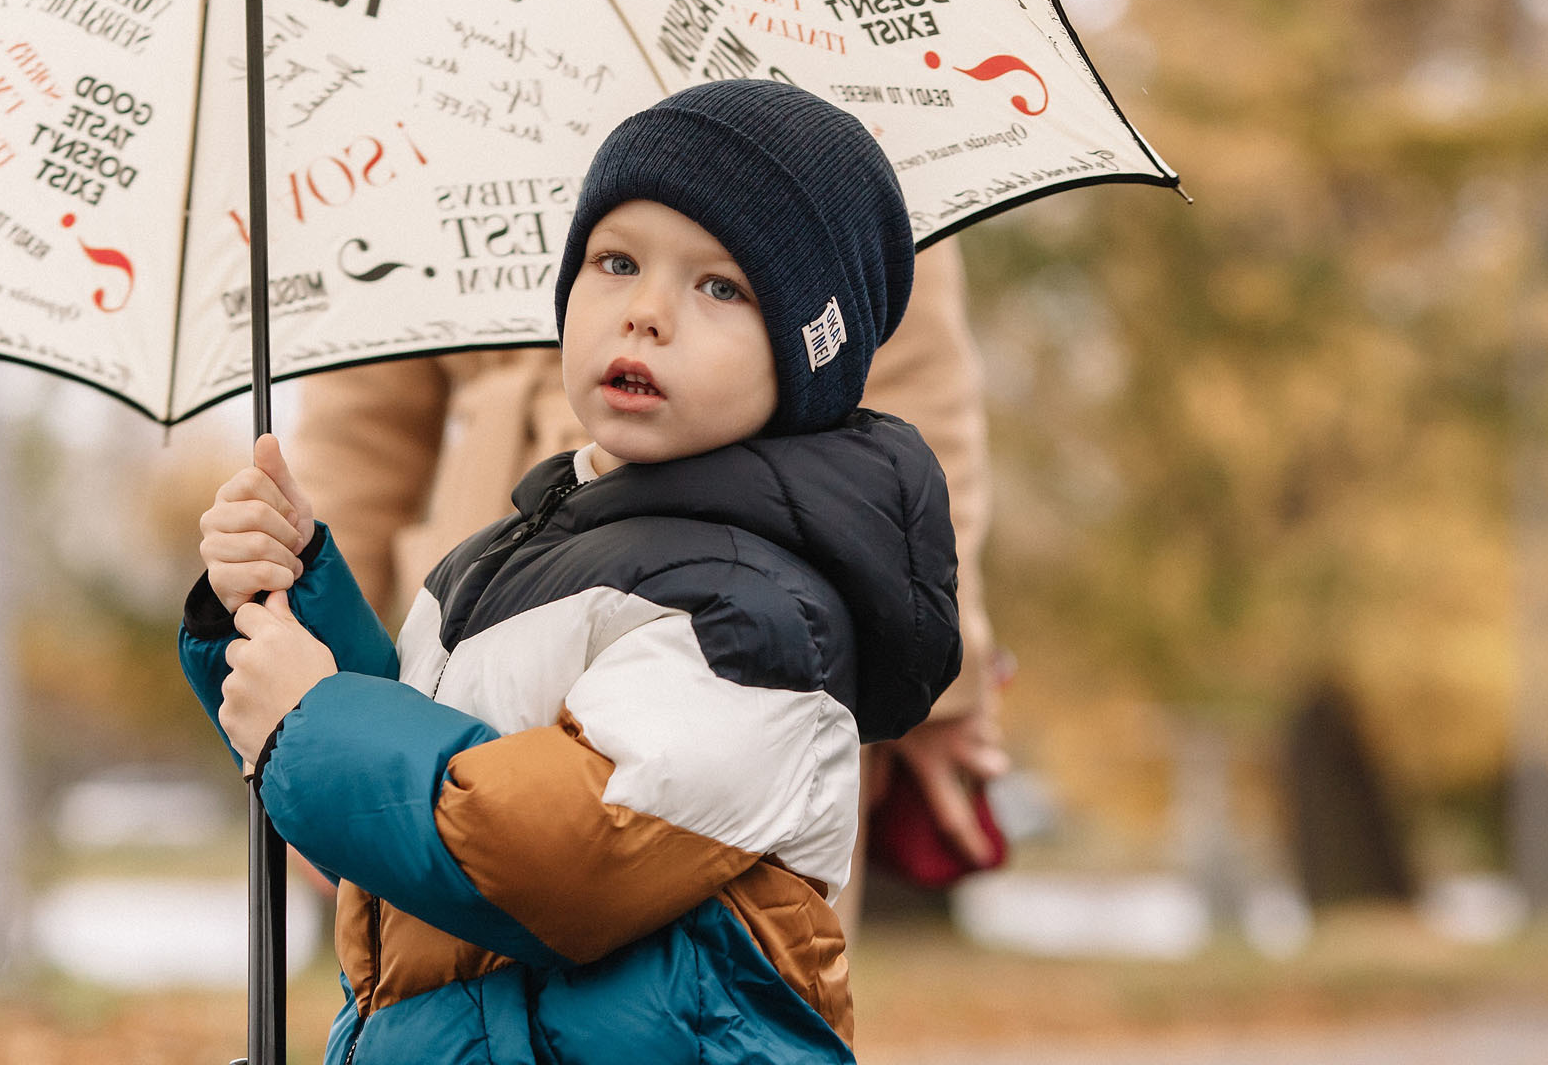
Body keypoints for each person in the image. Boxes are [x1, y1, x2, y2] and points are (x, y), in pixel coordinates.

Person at [290, 0, 1010, 913]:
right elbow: (364, 405)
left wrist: (940, 660)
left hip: (736, 630)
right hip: (477, 633)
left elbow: (913, 378)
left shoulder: (802, 2)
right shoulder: (421, 13)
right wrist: (334, 701)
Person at [182, 80, 963, 1063]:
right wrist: (290, 601)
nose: (644, 312)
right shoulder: (496, 557)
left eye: (720, 286)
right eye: (616, 260)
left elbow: (551, 852)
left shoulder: (760, 619)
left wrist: (311, 723)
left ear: (810, 353)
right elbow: (447, 739)